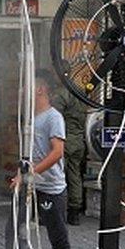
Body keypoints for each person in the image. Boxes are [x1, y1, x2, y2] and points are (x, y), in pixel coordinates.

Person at [0, 71, 71, 249]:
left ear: (41, 89)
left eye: (27, 86)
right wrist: (21, 173)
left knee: (57, 235)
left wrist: (30, 174)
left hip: (50, 188)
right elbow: (29, 153)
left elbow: (57, 153)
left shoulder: (53, 117)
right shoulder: (31, 118)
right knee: (13, 229)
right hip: (29, 185)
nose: (22, 90)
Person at [53, 85, 88, 225]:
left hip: (64, 140)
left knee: (57, 175)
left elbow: (53, 115)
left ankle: (55, 210)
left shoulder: (62, 93)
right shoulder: (82, 95)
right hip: (78, 141)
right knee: (75, 176)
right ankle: (74, 212)